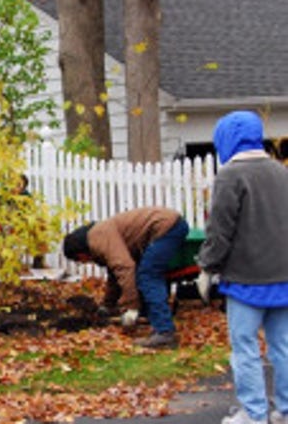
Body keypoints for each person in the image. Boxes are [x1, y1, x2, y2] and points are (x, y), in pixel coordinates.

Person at [195, 110, 288, 424]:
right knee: (283, 346)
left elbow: (220, 231)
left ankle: (254, 413)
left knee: (245, 347)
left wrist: (207, 268)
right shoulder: (280, 172)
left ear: (226, 139)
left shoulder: (231, 176)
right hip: (284, 275)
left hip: (247, 278)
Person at [62, 207, 189, 349]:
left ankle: (165, 333)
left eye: (80, 260)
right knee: (146, 271)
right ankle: (149, 315)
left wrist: (131, 307)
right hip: (170, 225)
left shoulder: (98, 239)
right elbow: (115, 275)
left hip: (166, 227)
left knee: (148, 275)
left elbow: (125, 268)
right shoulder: (99, 237)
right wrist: (107, 305)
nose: (84, 263)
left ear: (80, 253)